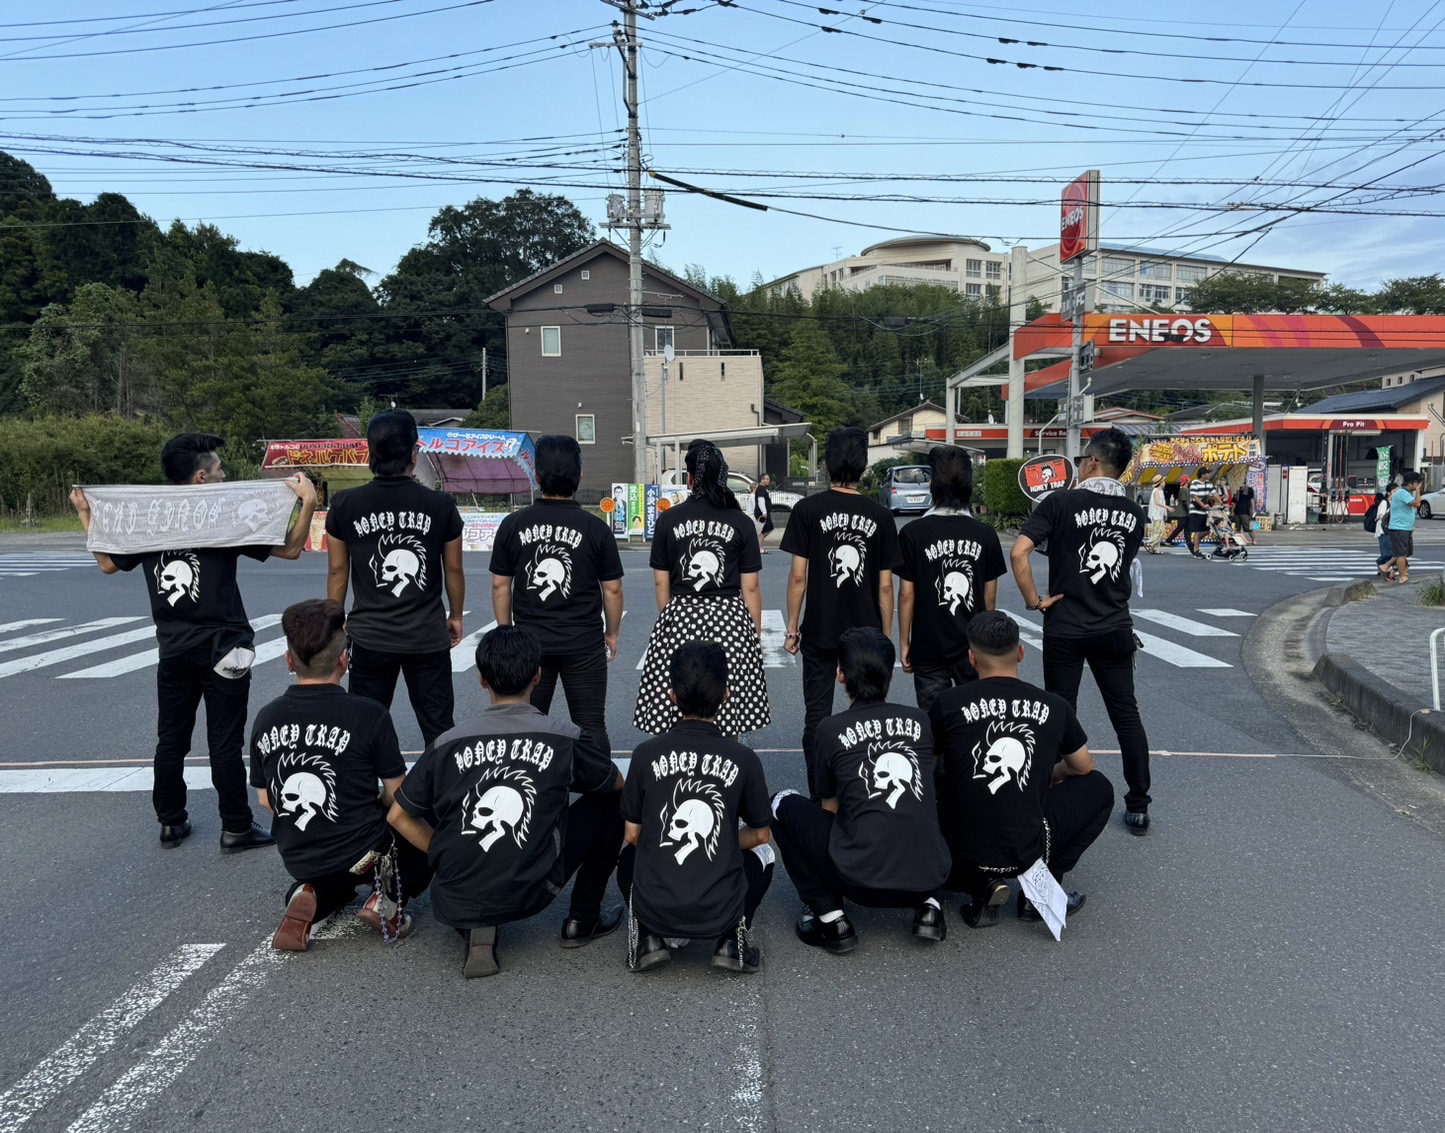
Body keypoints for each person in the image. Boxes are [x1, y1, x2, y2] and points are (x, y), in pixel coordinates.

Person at [69, 433, 317, 852]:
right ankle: (236, 827)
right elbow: (291, 550)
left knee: (171, 739)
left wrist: (84, 513)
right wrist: (307, 502)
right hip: (226, 647)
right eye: (219, 470)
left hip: (174, 649)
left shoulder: (148, 518)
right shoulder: (224, 518)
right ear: (201, 477)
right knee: (224, 741)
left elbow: (108, 563)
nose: (224, 477)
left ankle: (171, 821)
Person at [387, 626, 624, 978]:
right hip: (532, 889)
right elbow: (615, 783)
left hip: (455, 893)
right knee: (612, 802)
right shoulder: (565, 737)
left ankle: (476, 921)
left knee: (431, 801)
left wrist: (441, 852)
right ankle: (583, 918)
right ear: (538, 676)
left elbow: (398, 815)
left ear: (482, 680)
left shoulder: (446, 743)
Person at [250, 599, 432, 951]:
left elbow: (265, 799)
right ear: (344, 660)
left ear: (289, 661)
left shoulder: (266, 717)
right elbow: (396, 794)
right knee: (424, 812)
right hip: (364, 854)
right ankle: (387, 900)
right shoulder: (368, 713)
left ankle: (308, 893)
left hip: (300, 856)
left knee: (328, 880)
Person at [772, 627, 953, 953]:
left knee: (781, 803)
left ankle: (830, 917)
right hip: (929, 875)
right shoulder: (920, 720)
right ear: (891, 676)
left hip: (859, 882)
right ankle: (930, 906)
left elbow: (830, 809)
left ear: (840, 675)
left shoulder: (829, 728)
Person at [1011, 427, 1152, 835]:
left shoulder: (1060, 502)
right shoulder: (1134, 514)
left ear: (1091, 462)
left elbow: (1019, 552)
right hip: (1114, 626)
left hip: (1065, 626)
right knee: (1126, 715)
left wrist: (1034, 601)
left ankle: (1049, 796)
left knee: (1059, 712)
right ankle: (1139, 804)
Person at [930, 612, 1113, 926]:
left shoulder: (947, 702)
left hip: (955, 854)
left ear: (972, 658)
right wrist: (1050, 775)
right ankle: (1040, 889)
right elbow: (1083, 766)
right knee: (1099, 787)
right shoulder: (1055, 706)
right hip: (1025, 851)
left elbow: (928, 770)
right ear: (1021, 653)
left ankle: (984, 885)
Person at [620, 642, 775, 974]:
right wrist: (723, 841)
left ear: (672, 697)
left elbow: (632, 834)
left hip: (657, 905)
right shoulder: (744, 759)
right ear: (726, 696)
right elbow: (762, 835)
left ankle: (649, 937)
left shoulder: (645, 754)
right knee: (765, 856)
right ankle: (731, 940)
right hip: (720, 906)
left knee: (628, 858)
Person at [326, 410, 465, 747]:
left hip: (369, 636)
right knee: (438, 727)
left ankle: (367, 781)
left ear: (370, 453)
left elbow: (338, 571)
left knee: (363, 727)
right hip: (427, 635)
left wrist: (335, 621)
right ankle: (440, 780)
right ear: (414, 453)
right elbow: (453, 569)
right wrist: (456, 615)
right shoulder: (441, 505)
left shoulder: (345, 504)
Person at [781, 427, 903, 797]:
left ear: (826, 465)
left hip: (819, 629)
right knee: (868, 715)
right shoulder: (880, 516)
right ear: (863, 467)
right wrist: (886, 637)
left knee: (816, 718)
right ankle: (864, 792)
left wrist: (792, 628)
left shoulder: (807, 510)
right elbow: (885, 586)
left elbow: (798, 577)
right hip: (867, 634)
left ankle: (822, 797)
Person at [490, 435, 624, 753]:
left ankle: (529, 782)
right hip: (584, 643)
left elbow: (500, 585)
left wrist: (507, 632)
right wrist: (612, 633)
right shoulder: (596, 529)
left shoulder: (513, 524)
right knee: (591, 724)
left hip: (529, 644)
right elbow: (613, 588)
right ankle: (599, 783)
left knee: (526, 724)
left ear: (536, 476)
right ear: (580, 476)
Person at [634, 440, 770, 739]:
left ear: (690, 477)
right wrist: (754, 636)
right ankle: (726, 761)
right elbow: (751, 587)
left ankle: (676, 762)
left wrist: (672, 616)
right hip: (730, 620)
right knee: (728, 707)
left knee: (675, 698)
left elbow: (661, 582)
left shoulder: (669, 519)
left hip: (681, 614)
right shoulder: (740, 522)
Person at [896, 445, 1006, 712]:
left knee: (934, 720)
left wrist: (905, 642)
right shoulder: (986, 535)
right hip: (973, 646)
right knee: (973, 717)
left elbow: (907, 594)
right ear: (969, 487)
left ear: (932, 485)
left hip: (928, 646)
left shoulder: (913, 533)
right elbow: (989, 598)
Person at [1388, 471, 1425, 584]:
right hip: (1400, 528)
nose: (1419, 485)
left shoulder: (1405, 493)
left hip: (1404, 528)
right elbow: (1417, 504)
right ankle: (1402, 576)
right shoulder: (1402, 493)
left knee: (1403, 553)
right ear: (1412, 483)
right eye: (1418, 483)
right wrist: (1418, 491)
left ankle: (1386, 566)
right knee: (1401, 554)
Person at [1369, 488, 1396, 581]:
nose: (1396, 493)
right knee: (1387, 552)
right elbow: (1381, 516)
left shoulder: (1393, 502)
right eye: (1394, 491)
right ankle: (1382, 566)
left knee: (1388, 552)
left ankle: (1383, 569)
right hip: (1383, 530)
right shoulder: (1384, 502)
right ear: (1389, 493)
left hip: (1390, 530)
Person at [1185, 475, 1210, 558]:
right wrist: (1203, 505)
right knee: (1197, 531)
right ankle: (1196, 550)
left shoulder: (1206, 486)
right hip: (1195, 511)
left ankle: (1194, 543)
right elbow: (1193, 499)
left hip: (1203, 512)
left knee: (1206, 531)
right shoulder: (1192, 487)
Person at [1144, 479, 1169, 554]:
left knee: (1157, 532)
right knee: (1159, 532)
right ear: (1160, 483)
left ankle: (1156, 549)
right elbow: (1157, 502)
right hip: (1156, 515)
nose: (1164, 482)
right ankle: (1149, 543)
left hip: (1159, 514)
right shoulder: (1156, 491)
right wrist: (1167, 508)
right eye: (1163, 481)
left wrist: (1165, 513)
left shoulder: (1160, 491)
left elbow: (1162, 502)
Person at [754, 473, 776, 553]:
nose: (769, 480)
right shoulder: (761, 488)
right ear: (763, 480)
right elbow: (761, 500)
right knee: (763, 531)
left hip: (765, 513)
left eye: (768, 479)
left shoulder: (763, 488)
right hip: (762, 514)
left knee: (767, 530)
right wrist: (764, 511)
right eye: (767, 479)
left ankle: (759, 547)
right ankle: (759, 548)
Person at [1232, 479, 1257, 546]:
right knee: (1237, 528)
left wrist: (1253, 509)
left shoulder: (1249, 490)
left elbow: (1251, 499)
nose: (1241, 485)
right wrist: (1232, 511)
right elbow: (1234, 502)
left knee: (1249, 527)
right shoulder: (1236, 491)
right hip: (1237, 511)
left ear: (1244, 483)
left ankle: (1254, 540)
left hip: (1245, 511)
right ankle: (1238, 541)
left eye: (1242, 484)